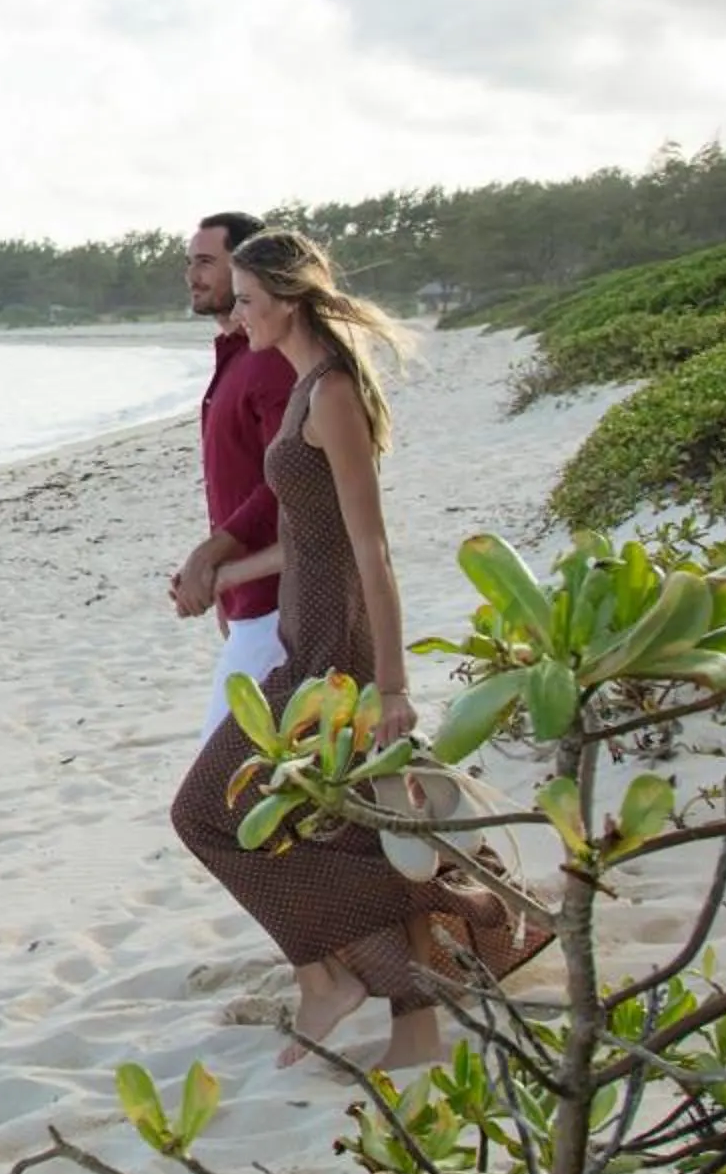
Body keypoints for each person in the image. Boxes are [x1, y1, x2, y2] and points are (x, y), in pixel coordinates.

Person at [168, 230, 549, 1071]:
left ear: (287, 298)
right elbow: (308, 534)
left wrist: (393, 684)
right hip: (302, 632)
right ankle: (415, 1014)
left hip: (333, 645)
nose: (237, 313)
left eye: (246, 298)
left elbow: (371, 548)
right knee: (343, 831)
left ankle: (452, 923)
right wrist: (221, 567)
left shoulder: (332, 393)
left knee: (205, 813)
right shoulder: (304, 386)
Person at [170, 213, 294, 746]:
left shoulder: (270, 364)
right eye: (189, 262)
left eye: (205, 262)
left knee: (214, 792)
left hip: (279, 605)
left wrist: (211, 554)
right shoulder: (234, 362)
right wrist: (221, 583)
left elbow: (287, 482)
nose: (191, 276)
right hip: (247, 602)